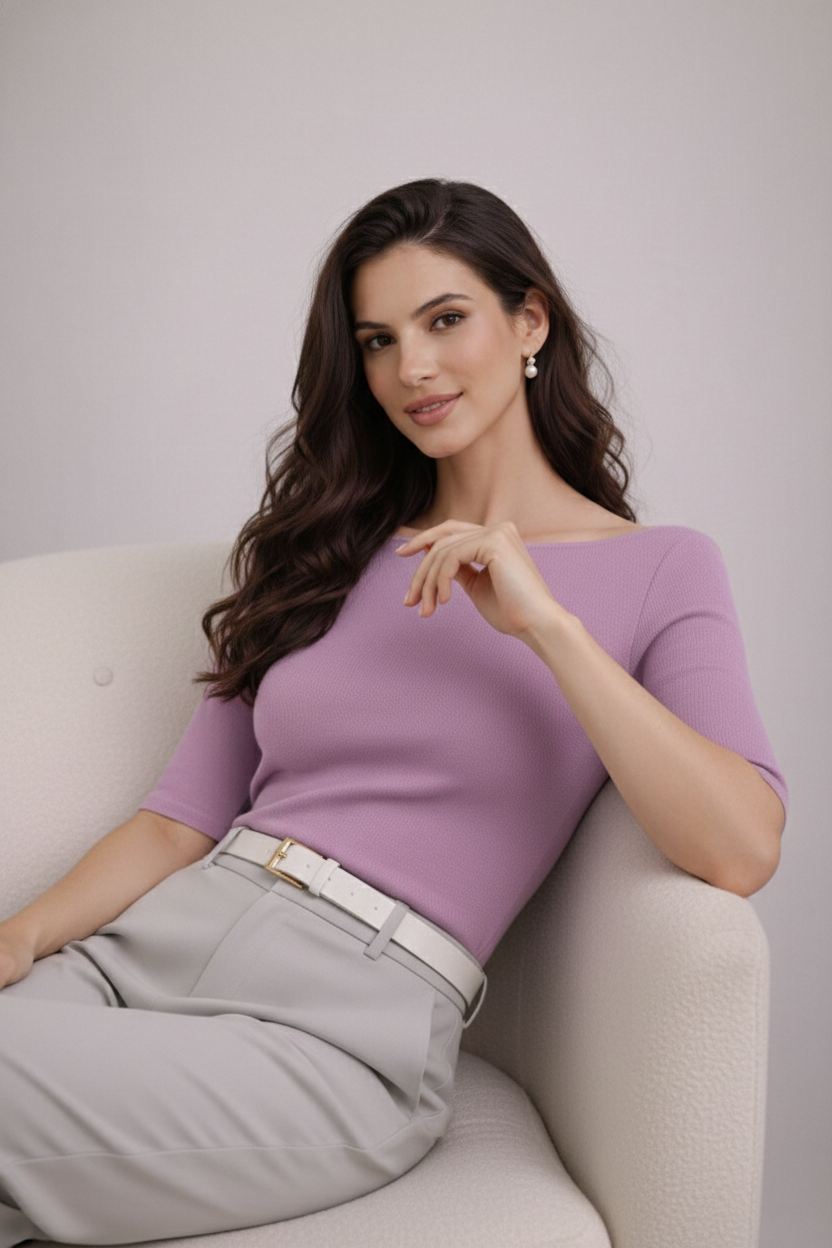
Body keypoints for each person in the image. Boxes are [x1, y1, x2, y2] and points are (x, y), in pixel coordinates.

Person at [0, 179, 787, 1244]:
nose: (409, 368)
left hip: (341, 1026)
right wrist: (22, 935)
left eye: (444, 320)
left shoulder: (656, 569)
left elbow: (740, 845)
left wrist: (547, 628)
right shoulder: (316, 552)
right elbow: (178, 820)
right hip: (153, 948)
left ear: (529, 323)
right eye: (376, 339)